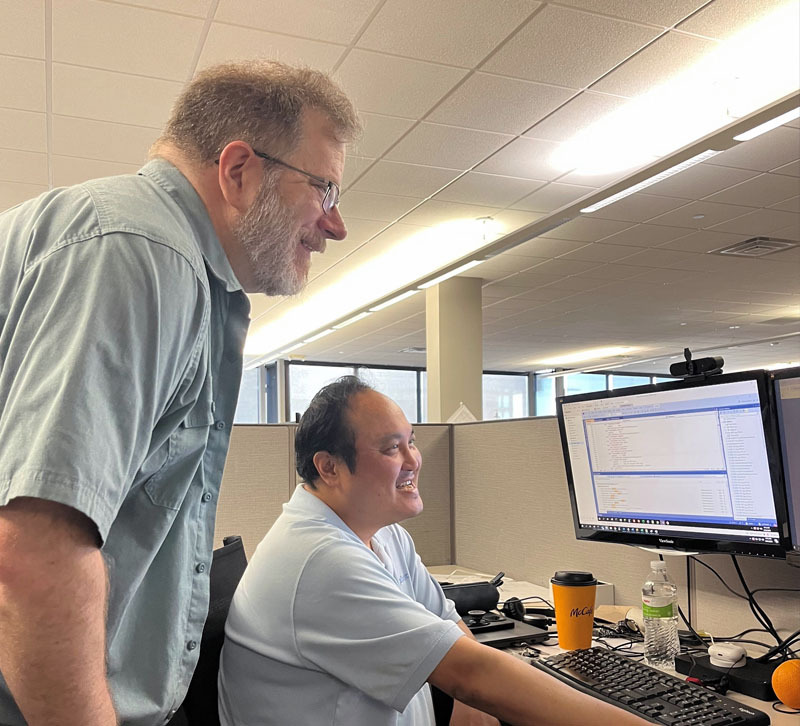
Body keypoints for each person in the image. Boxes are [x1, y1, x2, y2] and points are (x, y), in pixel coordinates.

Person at [0, 60, 360, 726]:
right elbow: (35, 556)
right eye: (325, 190)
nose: (336, 226)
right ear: (239, 171)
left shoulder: (160, 260)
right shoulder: (139, 254)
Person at [218, 376, 650, 726]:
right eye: (391, 448)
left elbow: (444, 617)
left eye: (412, 440)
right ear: (329, 467)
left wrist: (472, 699)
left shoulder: (379, 532)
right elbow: (473, 673)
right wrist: (471, 689)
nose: (413, 459)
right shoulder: (319, 560)